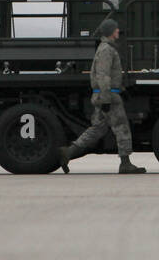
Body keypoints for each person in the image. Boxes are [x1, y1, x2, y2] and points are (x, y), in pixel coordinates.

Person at [57, 18, 146, 174]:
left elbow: (108, 75)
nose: (118, 31)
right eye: (116, 29)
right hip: (108, 96)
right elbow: (103, 76)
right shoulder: (107, 50)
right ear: (110, 32)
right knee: (122, 127)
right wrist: (107, 99)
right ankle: (125, 163)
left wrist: (121, 90)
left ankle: (69, 152)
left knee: (97, 129)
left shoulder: (105, 48)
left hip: (106, 94)